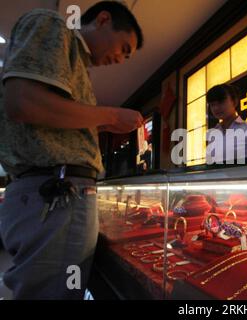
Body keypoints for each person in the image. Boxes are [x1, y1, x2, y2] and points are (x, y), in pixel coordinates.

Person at [0, 1, 144, 299]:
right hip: (55, 194)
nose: (121, 59)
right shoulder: (53, 25)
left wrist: (98, 126)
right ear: (103, 19)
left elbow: (45, 120)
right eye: (124, 48)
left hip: (52, 195)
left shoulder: (79, 65)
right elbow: (23, 102)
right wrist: (112, 115)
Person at [206, 84, 247, 164]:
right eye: (212, 104)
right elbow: (209, 164)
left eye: (221, 102)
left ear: (234, 102)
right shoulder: (212, 133)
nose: (216, 108)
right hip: (217, 176)